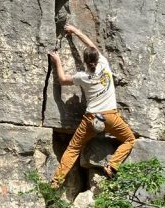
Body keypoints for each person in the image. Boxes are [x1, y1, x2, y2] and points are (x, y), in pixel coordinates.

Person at [48, 24, 135, 188]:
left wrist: (57, 61)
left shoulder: (82, 77)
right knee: (129, 140)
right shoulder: (104, 64)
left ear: (85, 62)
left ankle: (56, 181)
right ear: (96, 58)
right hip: (110, 117)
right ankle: (112, 166)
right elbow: (91, 45)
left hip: (91, 118)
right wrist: (76, 31)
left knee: (73, 148)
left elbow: (62, 80)